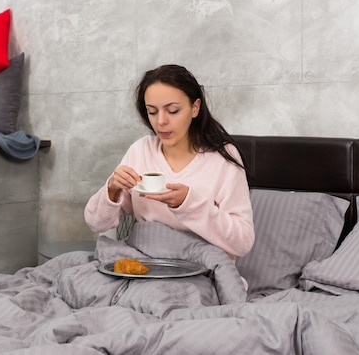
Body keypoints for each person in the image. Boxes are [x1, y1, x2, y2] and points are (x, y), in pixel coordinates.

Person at [84, 64, 254, 261]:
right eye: (152, 112)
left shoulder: (222, 158)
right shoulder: (141, 150)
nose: (161, 121)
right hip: (146, 264)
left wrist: (189, 204)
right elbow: (95, 223)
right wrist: (112, 190)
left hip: (201, 271)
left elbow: (242, 242)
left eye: (172, 111)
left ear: (195, 108)